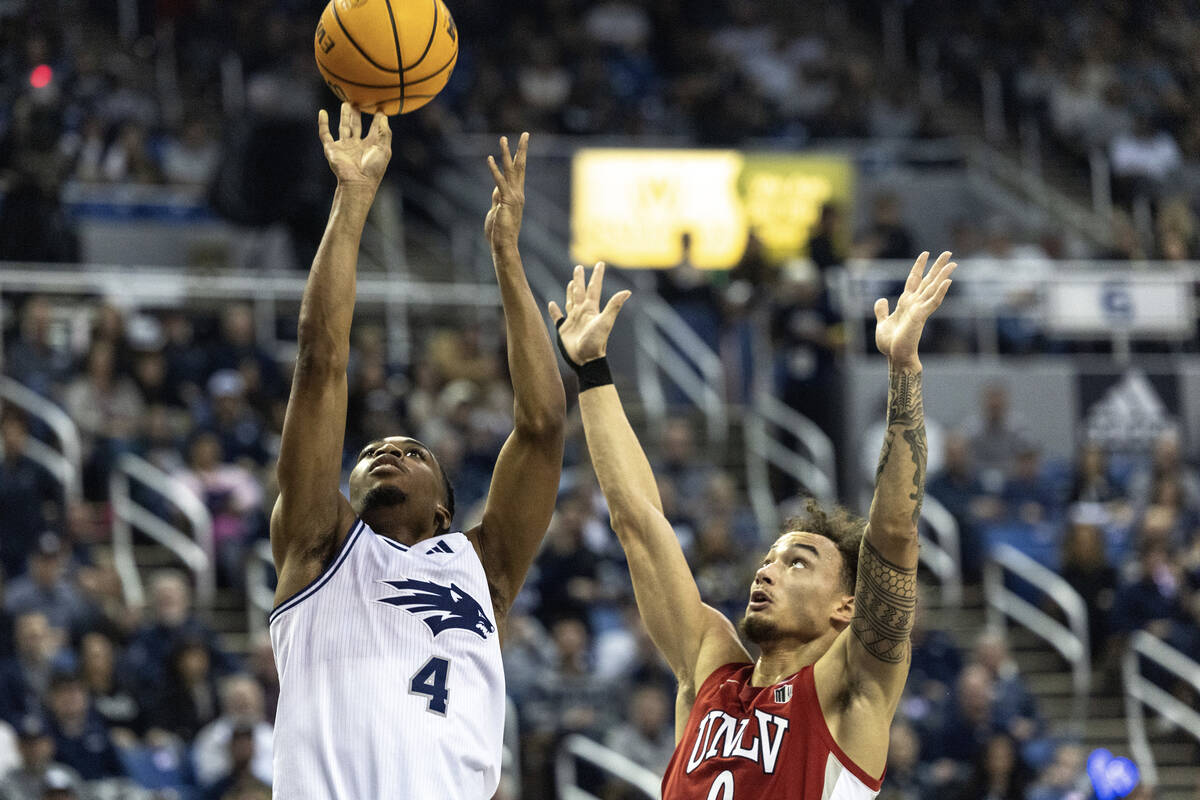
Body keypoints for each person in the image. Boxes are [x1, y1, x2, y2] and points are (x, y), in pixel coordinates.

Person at [551, 251, 956, 798]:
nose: (766, 573)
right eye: (768, 560)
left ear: (846, 606)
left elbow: (895, 535)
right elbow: (639, 525)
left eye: (796, 563)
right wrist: (592, 368)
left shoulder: (851, 689)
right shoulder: (711, 666)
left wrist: (904, 370)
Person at [268, 104, 564, 800]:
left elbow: (544, 425)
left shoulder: (480, 565)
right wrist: (354, 199)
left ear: (443, 511)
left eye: (410, 450)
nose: (386, 451)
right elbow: (320, 361)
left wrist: (506, 257)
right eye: (372, 449)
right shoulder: (316, 542)